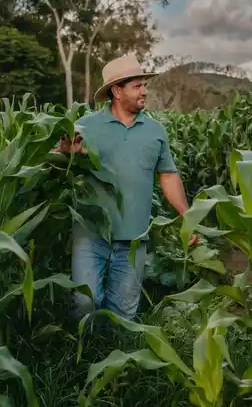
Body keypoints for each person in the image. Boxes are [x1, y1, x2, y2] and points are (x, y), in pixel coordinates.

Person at [55, 54, 198, 321]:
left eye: (144, 85)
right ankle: (81, 357)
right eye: (137, 86)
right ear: (117, 91)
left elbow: (168, 176)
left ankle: (114, 356)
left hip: (134, 238)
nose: (145, 91)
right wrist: (67, 154)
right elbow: (53, 158)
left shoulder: (155, 131)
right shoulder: (85, 127)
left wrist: (186, 215)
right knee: (85, 303)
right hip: (91, 232)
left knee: (123, 314)